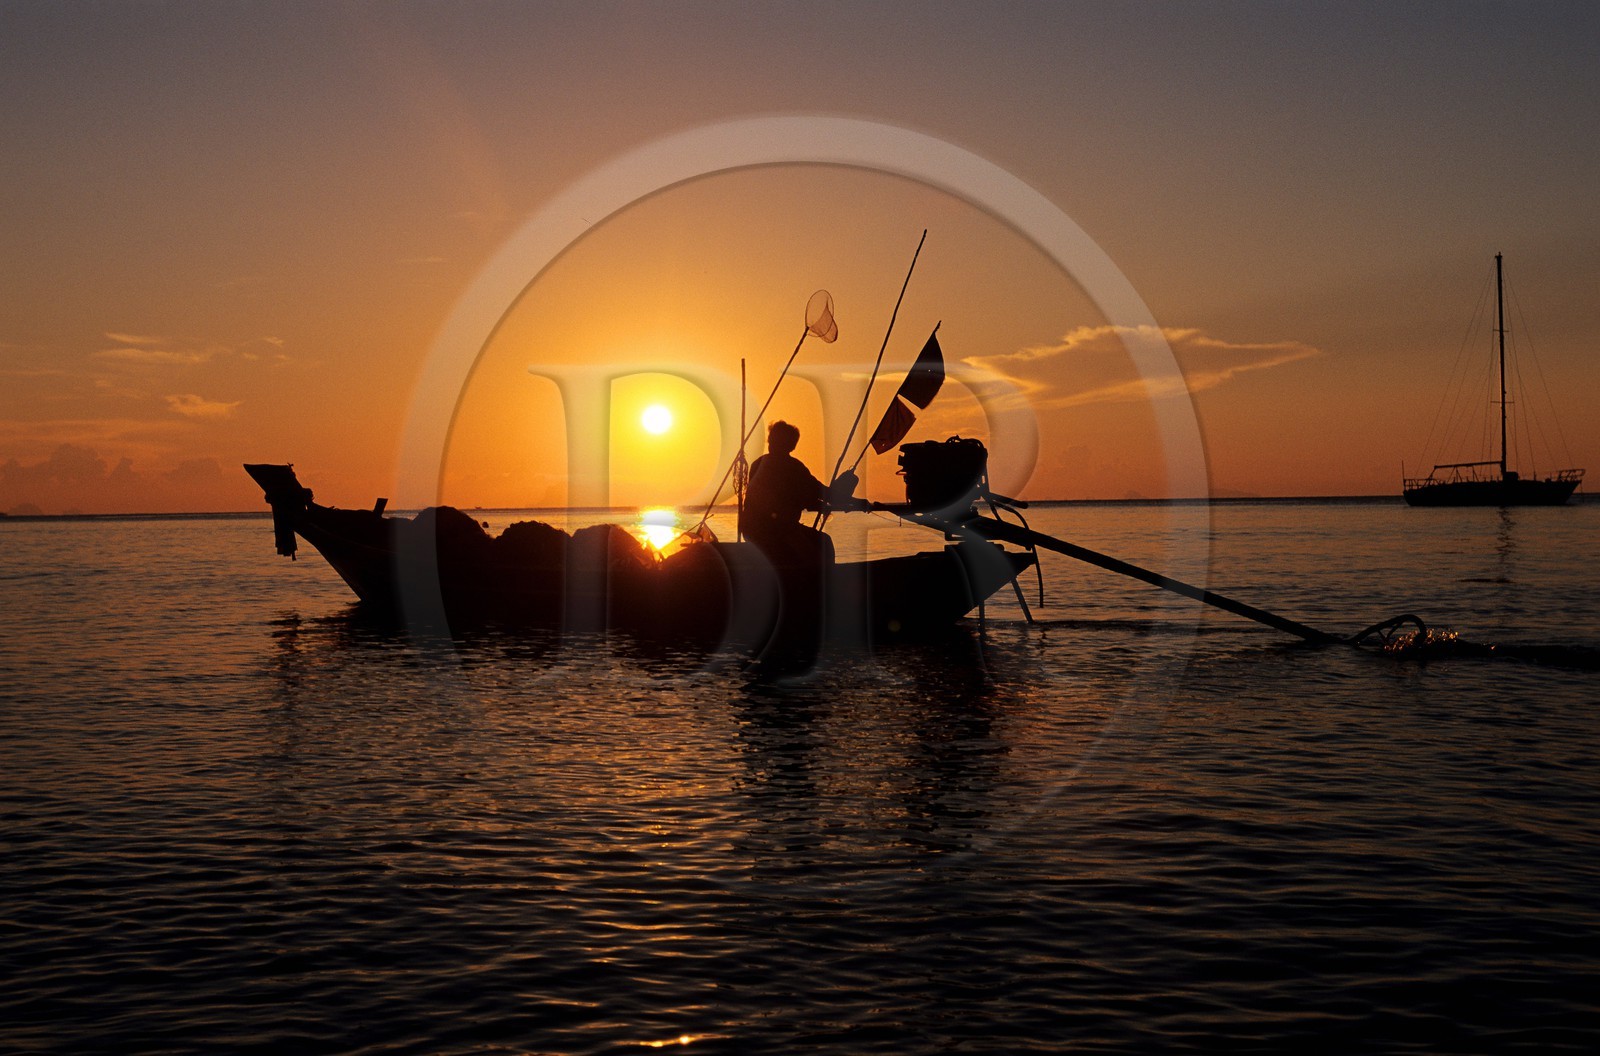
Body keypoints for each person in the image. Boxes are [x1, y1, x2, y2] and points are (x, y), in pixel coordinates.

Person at [740, 421, 863, 567]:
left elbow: (806, 495)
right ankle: (819, 582)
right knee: (823, 543)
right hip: (778, 531)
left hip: (751, 531)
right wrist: (857, 503)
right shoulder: (793, 467)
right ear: (792, 445)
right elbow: (822, 493)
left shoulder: (758, 464)